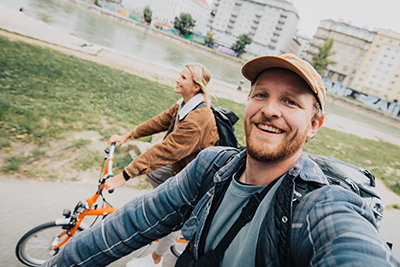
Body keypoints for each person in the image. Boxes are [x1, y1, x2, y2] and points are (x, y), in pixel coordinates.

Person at [43, 54, 399, 267]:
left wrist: (126, 172)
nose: (269, 110)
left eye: (291, 102)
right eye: (261, 94)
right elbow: (126, 225)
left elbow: (349, 245)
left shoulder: (319, 204)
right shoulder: (211, 166)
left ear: (313, 126)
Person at [104, 63, 219, 267]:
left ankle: (156, 259)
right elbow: (159, 121)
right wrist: (127, 135)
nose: (177, 79)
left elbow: (165, 150)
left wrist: (124, 175)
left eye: (184, 78)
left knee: (174, 215)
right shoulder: (184, 104)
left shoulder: (197, 120)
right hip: (182, 166)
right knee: (155, 175)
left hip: (197, 177)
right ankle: (162, 209)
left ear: (196, 87)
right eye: (180, 76)